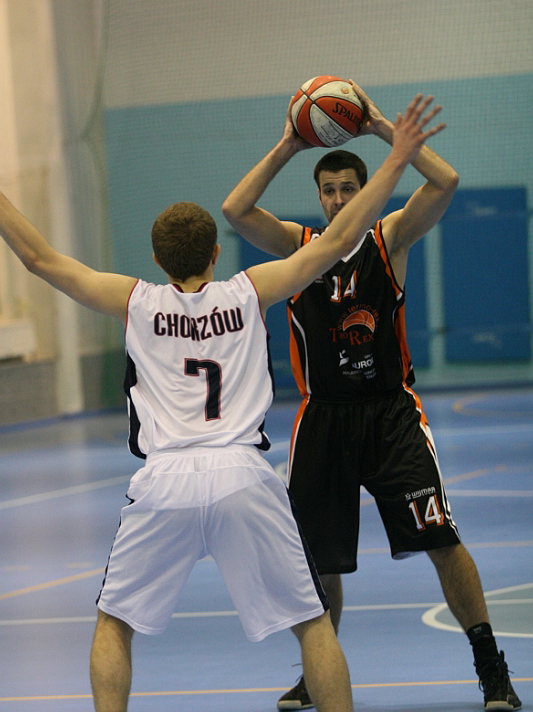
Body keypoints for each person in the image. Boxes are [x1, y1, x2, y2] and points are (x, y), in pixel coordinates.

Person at [0, 93, 445, 712]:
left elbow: (38, 258)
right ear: (215, 254)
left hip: (164, 479)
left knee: (114, 624)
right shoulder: (249, 290)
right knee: (312, 623)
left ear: (157, 260)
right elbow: (341, 238)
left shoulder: (136, 302)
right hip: (242, 475)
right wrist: (396, 159)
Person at [222, 82, 522, 712]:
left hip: (391, 414)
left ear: (366, 190)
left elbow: (445, 182)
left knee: (441, 539)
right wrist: (288, 145)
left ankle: (491, 667)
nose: (337, 199)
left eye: (348, 189)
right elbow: (235, 210)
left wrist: (384, 128)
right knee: (317, 560)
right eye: (328, 190)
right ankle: (318, 671)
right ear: (319, 197)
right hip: (323, 418)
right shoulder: (299, 247)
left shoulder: (391, 238)